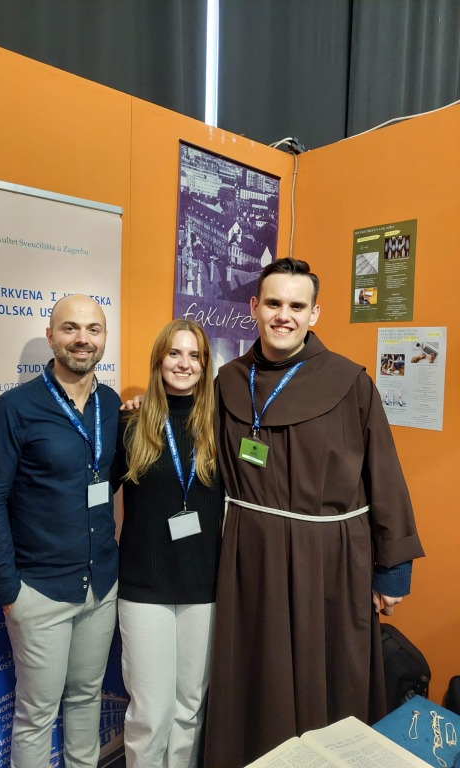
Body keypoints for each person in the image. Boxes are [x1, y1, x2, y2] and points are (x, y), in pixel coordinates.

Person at [203, 258, 425, 768]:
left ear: (314, 313)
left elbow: (385, 476)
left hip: (327, 560)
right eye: (273, 303)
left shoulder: (349, 382)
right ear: (254, 307)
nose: (284, 316)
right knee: (255, 672)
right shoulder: (229, 380)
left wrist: (392, 571)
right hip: (250, 555)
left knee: (327, 676)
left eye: (296, 306)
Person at [0, 294, 121, 768]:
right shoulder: (12, 410)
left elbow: (108, 478)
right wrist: (10, 590)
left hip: (101, 586)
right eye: (70, 328)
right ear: (52, 336)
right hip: (40, 591)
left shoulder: (111, 404)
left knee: (87, 697)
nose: (83, 339)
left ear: (104, 338)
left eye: (93, 329)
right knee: (36, 714)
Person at [111, 319, 223, 768]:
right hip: (144, 586)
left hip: (204, 586)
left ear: (206, 364)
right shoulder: (130, 423)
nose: (184, 364)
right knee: (149, 713)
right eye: (174, 353)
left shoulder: (220, 426)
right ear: (159, 359)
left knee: (189, 707)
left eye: (194, 355)